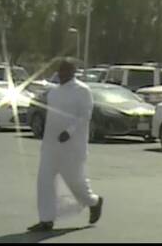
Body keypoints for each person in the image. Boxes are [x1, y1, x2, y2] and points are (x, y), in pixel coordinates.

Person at [30, 60, 103, 231]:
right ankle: (46, 220)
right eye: (59, 70)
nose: (61, 74)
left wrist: (69, 132)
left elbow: (85, 116)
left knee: (76, 183)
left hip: (72, 147)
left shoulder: (82, 91)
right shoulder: (53, 92)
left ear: (73, 71)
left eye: (65, 70)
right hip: (50, 145)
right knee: (44, 181)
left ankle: (94, 201)